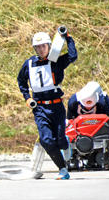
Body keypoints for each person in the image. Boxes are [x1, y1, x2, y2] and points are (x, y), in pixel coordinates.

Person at [17, 29, 77, 180]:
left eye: (44, 46)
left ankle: (66, 143)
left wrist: (68, 38)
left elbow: (72, 56)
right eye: (38, 47)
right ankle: (62, 169)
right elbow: (21, 80)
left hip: (56, 107)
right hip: (39, 108)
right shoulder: (29, 63)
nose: (41, 49)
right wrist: (26, 97)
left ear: (50, 46)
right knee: (46, 140)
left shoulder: (56, 62)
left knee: (60, 139)